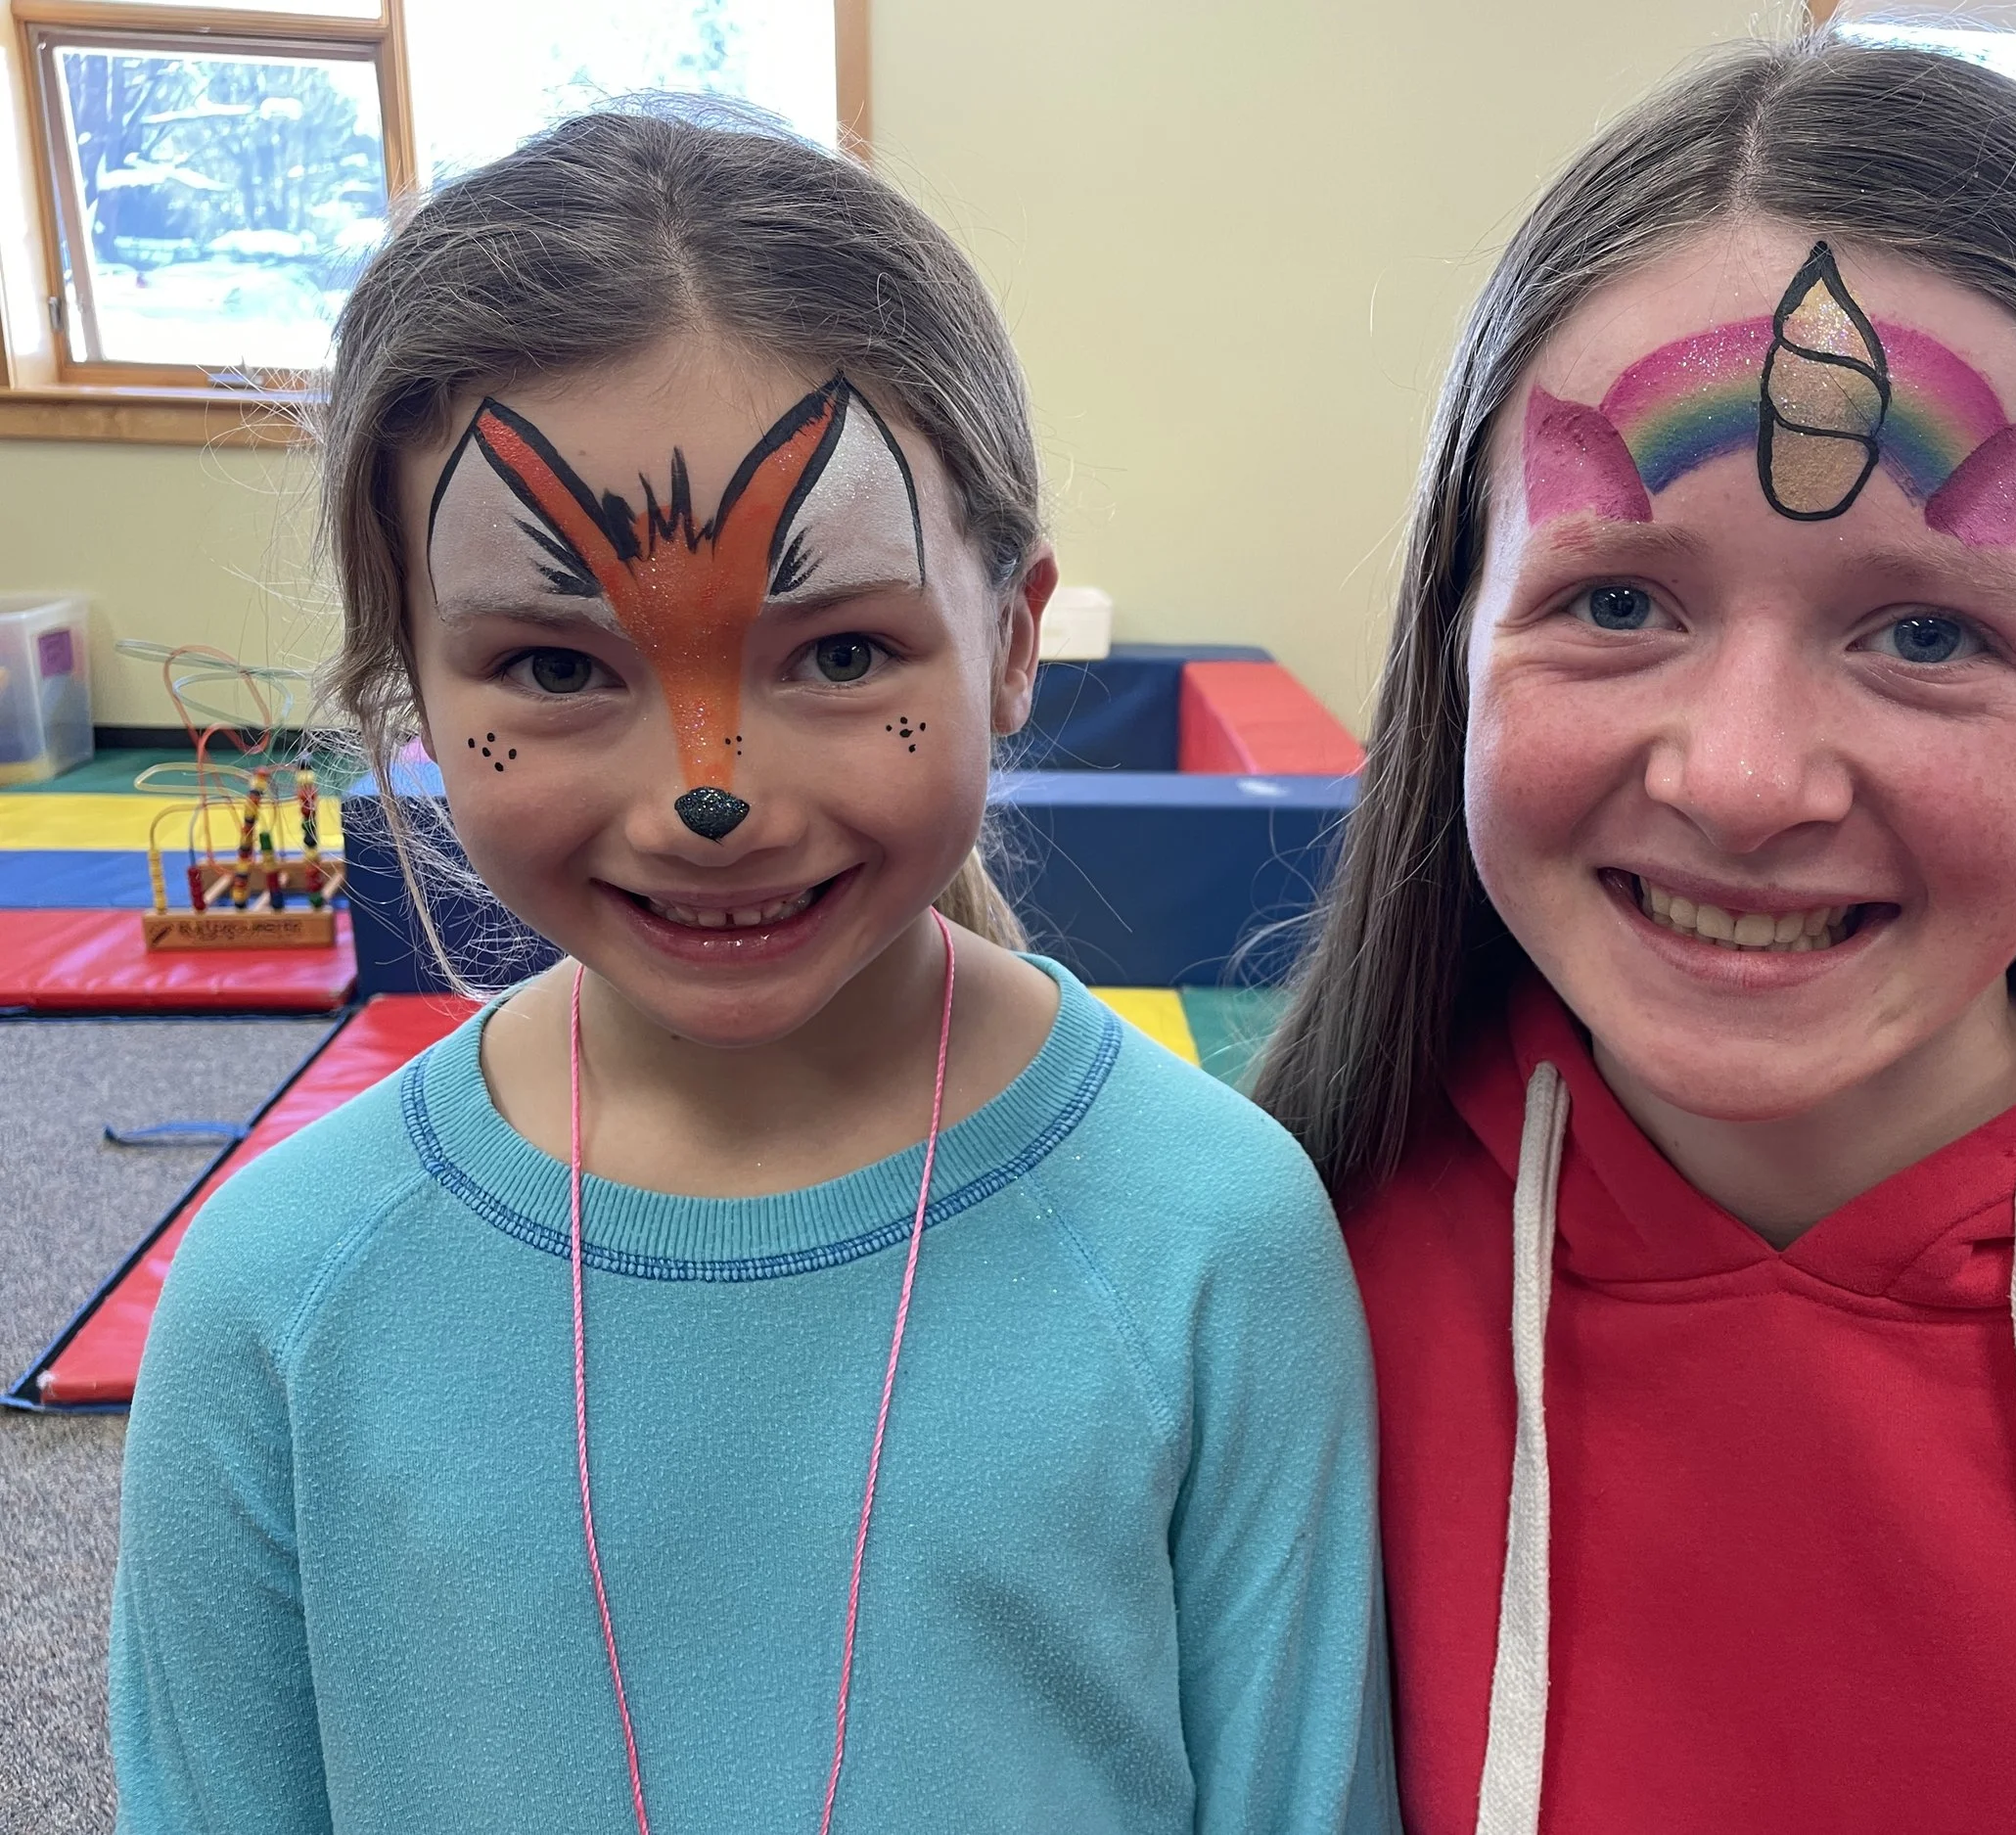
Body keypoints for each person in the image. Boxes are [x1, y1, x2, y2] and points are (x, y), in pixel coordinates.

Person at [112, 106, 1393, 1835]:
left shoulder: (1216, 1243)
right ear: (411, 683)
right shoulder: (281, 1296)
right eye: (556, 666)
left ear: (1011, 641)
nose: (705, 793)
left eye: (844, 651)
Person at [1258, 38, 2016, 1835]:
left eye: (1926, 634)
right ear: (1459, 629)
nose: (1742, 781)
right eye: (1619, 599)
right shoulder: (1277, 1305)